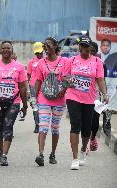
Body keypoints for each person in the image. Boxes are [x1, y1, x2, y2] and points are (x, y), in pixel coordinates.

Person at [63, 36, 108, 170]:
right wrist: (68, 80)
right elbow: (65, 76)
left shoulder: (97, 62)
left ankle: (83, 150)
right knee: (75, 125)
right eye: (82, 46)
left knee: (86, 129)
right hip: (73, 96)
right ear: (80, 47)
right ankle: (75, 158)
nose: (84, 48)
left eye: (86, 46)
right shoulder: (72, 60)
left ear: (90, 48)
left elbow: (100, 80)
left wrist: (104, 94)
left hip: (89, 99)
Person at [0, 41, 28, 166]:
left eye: (8, 48)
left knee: (8, 126)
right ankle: (0, 151)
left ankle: (4, 155)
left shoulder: (19, 67)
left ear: (12, 50)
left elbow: (22, 87)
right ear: (0, 50)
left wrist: (25, 105)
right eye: (3, 48)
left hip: (14, 101)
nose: (6, 50)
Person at [34, 37, 68, 167]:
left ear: (55, 46)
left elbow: (67, 79)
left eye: (48, 45)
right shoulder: (41, 63)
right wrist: (34, 98)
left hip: (59, 100)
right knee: (43, 126)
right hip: (44, 99)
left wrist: (63, 90)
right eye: (44, 46)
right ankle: (41, 154)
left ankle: (52, 154)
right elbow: (37, 81)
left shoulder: (64, 61)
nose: (46, 48)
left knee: (55, 129)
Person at [27, 42, 43, 133]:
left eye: (40, 52)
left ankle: (43, 123)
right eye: (37, 53)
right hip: (33, 86)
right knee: (35, 106)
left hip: (44, 87)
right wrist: (28, 89)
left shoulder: (46, 61)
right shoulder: (31, 62)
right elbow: (28, 76)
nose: (39, 54)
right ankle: (37, 124)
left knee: (43, 106)